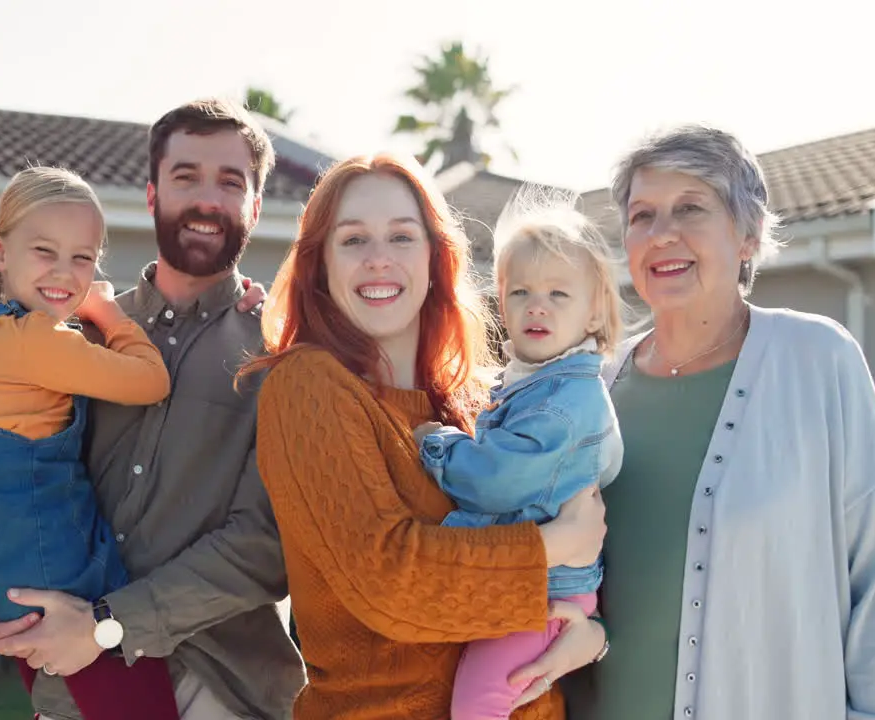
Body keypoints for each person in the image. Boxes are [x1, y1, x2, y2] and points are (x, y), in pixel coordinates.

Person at [559, 124, 875, 720]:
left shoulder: (817, 359)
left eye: (690, 208)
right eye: (642, 215)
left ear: (748, 235)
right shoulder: (591, 387)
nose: (661, 234)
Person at [0, 98, 306, 720]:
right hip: (71, 684)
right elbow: (9, 467)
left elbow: (266, 545)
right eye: (185, 177)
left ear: (255, 206)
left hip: (221, 684)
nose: (207, 199)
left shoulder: (282, 357)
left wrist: (106, 623)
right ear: (151, 194)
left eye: (230, 183)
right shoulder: (74, 336)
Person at [242, 153, 609, 720]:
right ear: (320, 265)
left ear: (437, 258)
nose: (380, 260)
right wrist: (557, 546)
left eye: (402, 237)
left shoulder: (477, 404)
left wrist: (588, 634)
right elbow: (392, 582)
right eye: (354, 240)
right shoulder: (308, 386)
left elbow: (563, 544)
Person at [0, 166, 179, 720]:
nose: (66, 272)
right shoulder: (37, 340)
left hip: (12, 575)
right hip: (61, 580)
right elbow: (152, 380)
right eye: (44, 251)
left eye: (83, 258)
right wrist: (109, 313)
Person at [411, 187, 624, 720]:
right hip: (530, 586)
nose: (537, 305)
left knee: (478, 705)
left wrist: (438, 444)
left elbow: (499, 481)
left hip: (546, 596)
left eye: (559, 294)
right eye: (521, 291)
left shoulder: (566, 401)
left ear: (594, 314)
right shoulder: (530, 383)